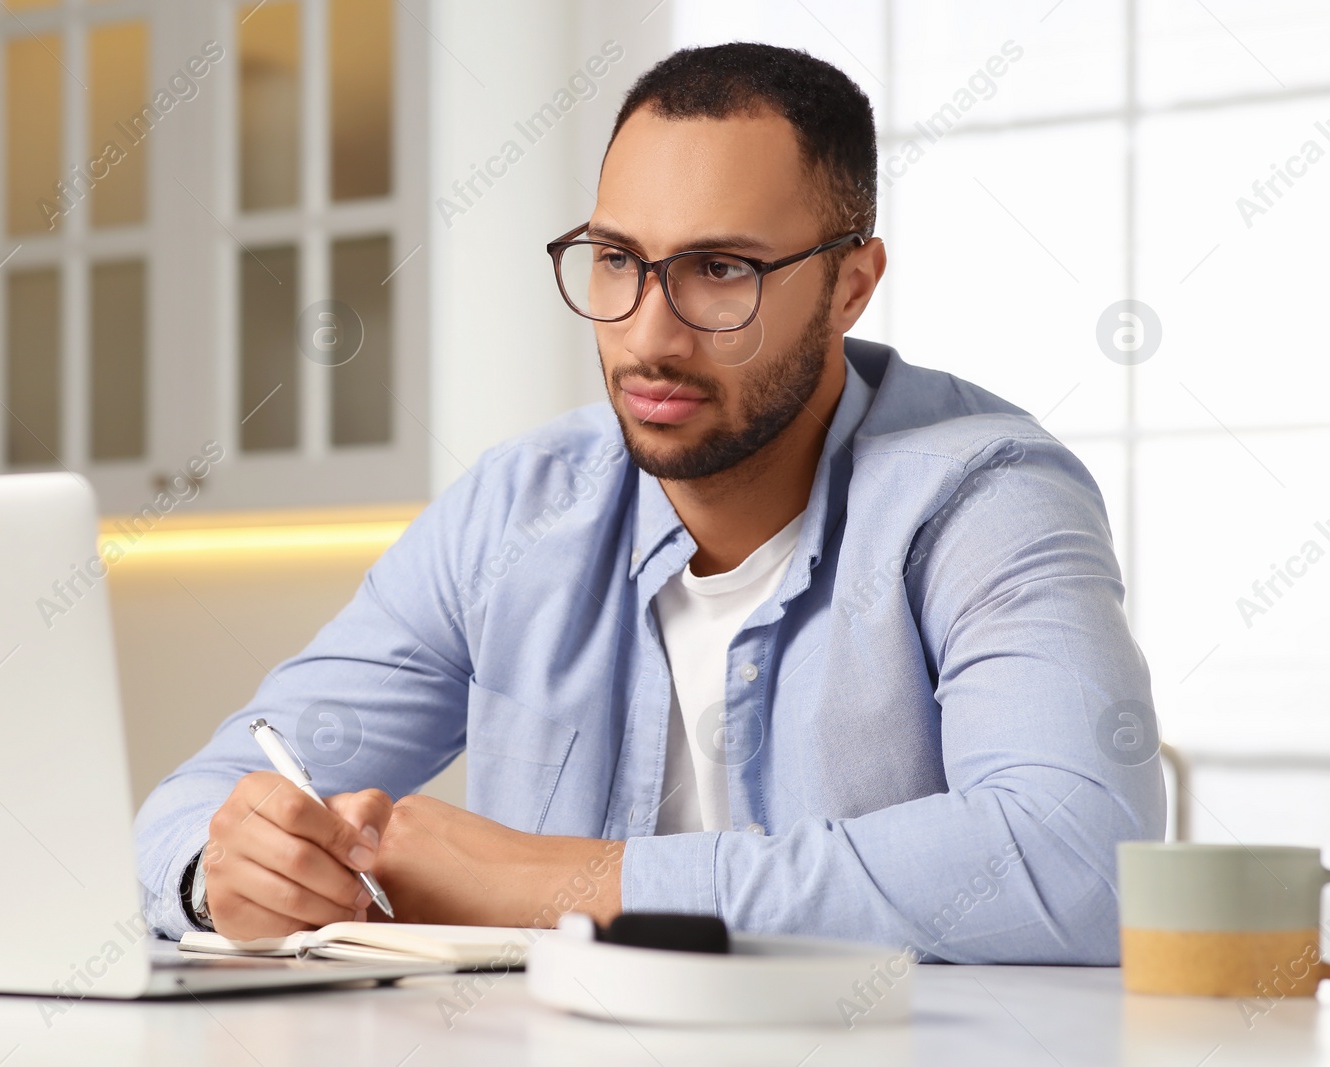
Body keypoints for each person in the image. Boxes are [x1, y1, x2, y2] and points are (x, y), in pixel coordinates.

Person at [134, 42, 1163, 964]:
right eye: (619, 260)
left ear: (850, 285)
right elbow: (197, 797)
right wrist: (225, 876)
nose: (649, 335)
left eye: (721, 271)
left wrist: (557, 883)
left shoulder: (982, 494)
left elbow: (1078, 856)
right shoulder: (516, 507)